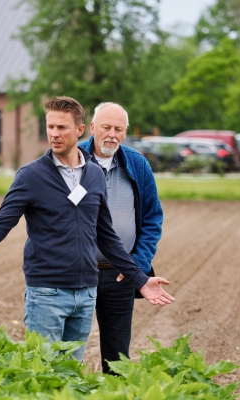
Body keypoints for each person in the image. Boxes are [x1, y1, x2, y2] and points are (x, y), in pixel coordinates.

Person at [0, 96, 175, 362]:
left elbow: (106, 237)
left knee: (71, 373)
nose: (54, 134)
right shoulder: (31, 176)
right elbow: (1, 223)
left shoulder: (93, 175)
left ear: (79, 130)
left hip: (85, 293)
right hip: (48, 293)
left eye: (62, 128)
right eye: (50, 127)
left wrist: (140, 278)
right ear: (93, 129)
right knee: (43, 373)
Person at [78, 102, 163, 374]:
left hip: (121, 275)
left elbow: (152, 218)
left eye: (118, 129)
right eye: (106, 127)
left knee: (117, 361)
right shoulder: (71, 157)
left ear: (125, 132)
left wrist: (136, 265)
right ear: (92, 128)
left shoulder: (136, 163)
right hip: (77, 273)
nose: (111, 134)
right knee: (68, 353)